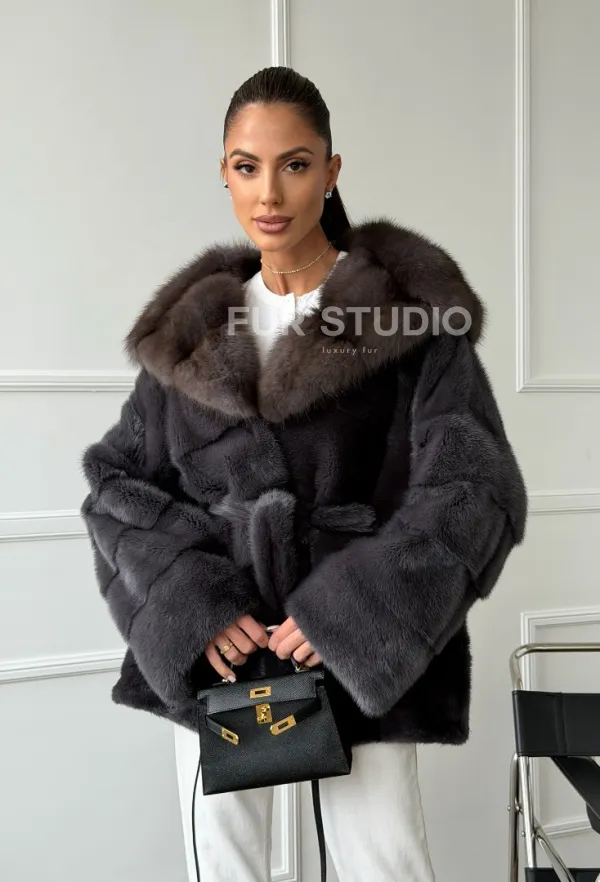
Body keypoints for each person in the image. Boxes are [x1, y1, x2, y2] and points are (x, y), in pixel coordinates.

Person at [80, 66, 528, 882]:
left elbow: (475, 489)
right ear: (224, 174)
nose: (269, 192)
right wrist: (193, 603)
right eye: (246, 166)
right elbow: (116, 487)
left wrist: (348, 615)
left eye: (294, 163)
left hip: (359, 653)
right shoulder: (188, 334)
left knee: (386, 866)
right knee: (226, 870)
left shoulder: (408, 321)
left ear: (330, 170)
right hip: (219, 659)